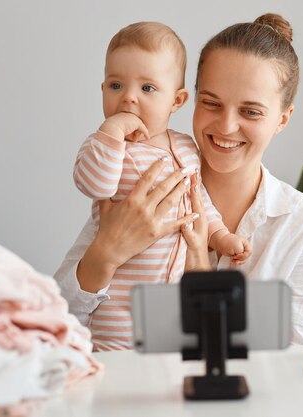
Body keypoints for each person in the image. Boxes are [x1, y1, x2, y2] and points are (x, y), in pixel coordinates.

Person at [55, 13, 303, 347]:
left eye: (251, 112)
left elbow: (291, 364)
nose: (227, 126)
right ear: (187, 100)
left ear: (283, 119)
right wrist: (107, 253)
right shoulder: (143, 186)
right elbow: (56, 321)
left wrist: (201, 270)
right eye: (211, 103)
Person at [67, 22, 251, 351]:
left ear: (177, 100)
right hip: (119, 307)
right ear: (103, 90)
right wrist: (112, 131)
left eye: (147, 89)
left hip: (173, 304)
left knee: (168, 364)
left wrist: (220, 235)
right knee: (119, 368)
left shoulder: (185, 148)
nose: (129, 98)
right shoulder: (106, 147)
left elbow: (200, 201)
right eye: (116, 85)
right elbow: (94, 184)